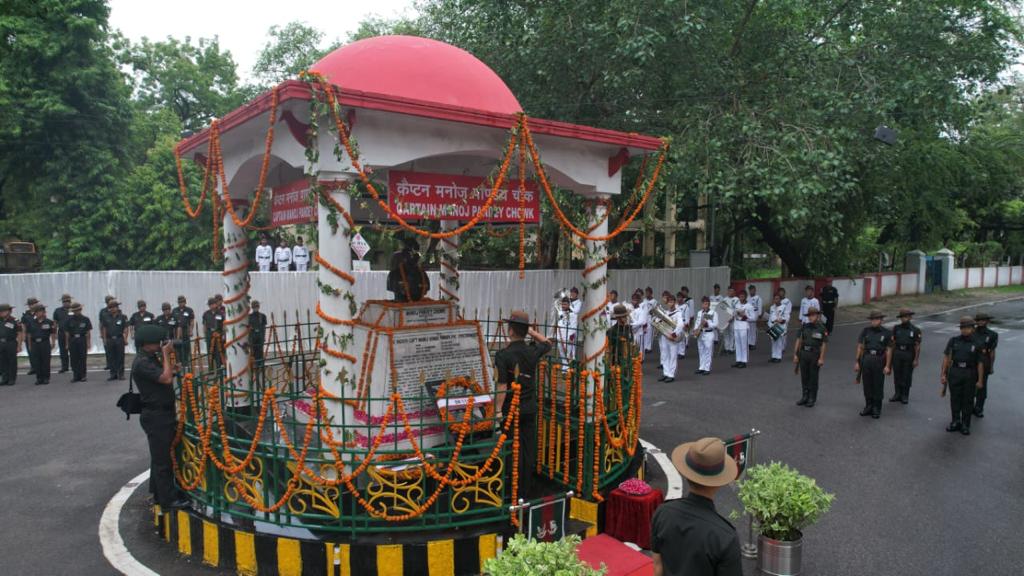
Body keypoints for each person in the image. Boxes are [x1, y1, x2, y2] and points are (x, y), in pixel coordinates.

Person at [651, 437, 742, 576]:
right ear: (718, 482)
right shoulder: (725, 537)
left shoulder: (663, 512)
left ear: (687, 474)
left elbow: (658, 567)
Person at [494, 310, 551, 499]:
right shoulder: (532, 351)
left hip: (511, 409)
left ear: (510, 331)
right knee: (527, 448)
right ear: (525, 331)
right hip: (529, 407)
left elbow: (502, 385)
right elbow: (548, 343)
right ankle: (525, 488)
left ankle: (512, 488)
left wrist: (497, 411)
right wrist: (532, 332)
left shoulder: (503, 355)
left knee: (511, 447)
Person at [132, 324, 190, 510]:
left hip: (162, 413)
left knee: (160, 457)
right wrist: (166, 355)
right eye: (156, 343)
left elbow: (164, 375)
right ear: (146, 344)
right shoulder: (141, 362)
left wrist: (172, 368)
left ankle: (159, 494)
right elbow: (165, 379)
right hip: (156, 416)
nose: (160, 345)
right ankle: (167, 501)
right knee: (162, 461)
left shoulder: (149, 358)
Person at [941, 316, 984, 435]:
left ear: (973, 328)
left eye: (968, 327)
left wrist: (980, 380)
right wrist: (943, 374)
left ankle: (965, 424)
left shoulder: (977, 343)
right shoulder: (954, 340)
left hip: (970, 373)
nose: (965, 330)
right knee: (955, 398)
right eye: (963, 328)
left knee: (968, 400)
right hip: (955, 372)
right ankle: (955, 421)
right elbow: (946, 358)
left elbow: (980, 363)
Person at [855, 311, 892, 419]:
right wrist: (857, 361)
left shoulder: (887, 333)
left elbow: (889, 350)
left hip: (879, 360)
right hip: (866, 359)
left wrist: (887, 366)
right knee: (867, 384)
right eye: (872, 319)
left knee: (877, 384)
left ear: (881, 320)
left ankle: (876, 408)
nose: (874, 321)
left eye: (876, 319)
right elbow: (860, 347)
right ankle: (868, 406)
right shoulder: (865, 331)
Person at [793, 307, 828, 407]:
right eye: (809, 315)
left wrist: (821, 358)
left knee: (813, 377)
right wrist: (795, 354)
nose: (811, 317)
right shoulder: (804, 327)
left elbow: (824, 344)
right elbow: (798, 340)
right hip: (804, 354)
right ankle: (805, 396)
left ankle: (812, 398)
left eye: (813, 315)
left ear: (817, 316)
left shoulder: (822, 328)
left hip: (814, 355)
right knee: (804, 376)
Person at [889, 308, 922, 404]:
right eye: (902, 317)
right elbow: (893, 344)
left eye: (906, 316)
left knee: (906, 375)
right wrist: (890, 358)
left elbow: (917, 346)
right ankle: (897, 394)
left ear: (910, 317)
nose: (904, 318)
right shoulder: (896, 328)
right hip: (898, 353)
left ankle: (905, 395)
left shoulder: (916, 330)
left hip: (909, 353)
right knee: (897, 374)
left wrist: (916, 359)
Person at [386, 236, 429, 301]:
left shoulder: (421, 273)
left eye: (413, 254)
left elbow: (425, 286)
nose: (410, 257)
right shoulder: (395, 275)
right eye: (406, 254)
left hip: (418, 300)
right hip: (401, 301)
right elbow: (393, 285)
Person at [972, 312, 998, 418]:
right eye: (979, 320)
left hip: (985, 362)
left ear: (987, 321)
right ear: (976, 322)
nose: (981, 322)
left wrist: (991, 366)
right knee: (970, 386)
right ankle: (969, 406)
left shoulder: (992, 335)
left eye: (983, 320)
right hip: (972, 362)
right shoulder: (972, 332)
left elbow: (992, 352)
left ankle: (979, 408)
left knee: (982, 387)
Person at [657, 293, 684, 382]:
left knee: (672, 356)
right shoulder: (666, 313)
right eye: (669, 302)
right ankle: (666, 373)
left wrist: (675, 334)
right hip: (665, 336)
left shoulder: (678, 313)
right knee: (665, 355)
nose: (670, 303)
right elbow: (659, 322)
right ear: (667, 303)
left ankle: (671, 375)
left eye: (672, 302)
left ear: (675, 302)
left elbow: (680, 324)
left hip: (672, 337)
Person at [27, 303, 56, 385]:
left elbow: (53, 333)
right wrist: (29, 345)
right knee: (37, 361)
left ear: (44, 312)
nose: (38, 313)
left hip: (45, 343)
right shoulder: (31, 322)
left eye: (40, 311)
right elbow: (29, 334)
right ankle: (39, 378)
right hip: (35, 343)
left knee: (46, 361)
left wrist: (53, 342)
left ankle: (46, 378)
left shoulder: (49, 322)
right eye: (36, 312)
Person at [65, 302, 92, 382]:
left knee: (82, 358)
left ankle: (83, 375)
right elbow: (67, 333)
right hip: (73, 340)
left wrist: (88, 343)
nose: (77, 312)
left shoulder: (86, 319)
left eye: (78, 310)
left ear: (81, 310)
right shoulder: (69, 320)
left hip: (82, 339)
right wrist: (67, 343)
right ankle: (76, 375)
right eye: (75, 310)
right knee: (74, 358)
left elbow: (88, 332)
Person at [102, 300, 128, 380]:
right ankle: (113, 374)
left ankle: (121, 374)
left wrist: (125, 339)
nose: (113, 309)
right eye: (111, 307)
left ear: (117, 307)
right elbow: (104, 329)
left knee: (120, 357)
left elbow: (126, 328)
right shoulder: (106, 317)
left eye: (114, 307)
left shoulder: (123, 317)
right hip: (110, 339)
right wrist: (104, 339)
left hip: (119, 338)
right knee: (111, 357)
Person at [692, 297, 717, 375]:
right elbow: (697, 322)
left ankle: (707, 368)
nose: (705, 305)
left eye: (706, 303)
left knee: (708, 351)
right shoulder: (700, 312)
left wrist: (708, 324)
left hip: (709, 333)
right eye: (703, 303)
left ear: (709, 304)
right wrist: (695, 329)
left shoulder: (713, 313)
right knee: (701, 350)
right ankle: (701, 367)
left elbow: (715, 324)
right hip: (700, 333)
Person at [0, 304, 23, 386]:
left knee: (12, 361)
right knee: (2, 362)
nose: (2, 313)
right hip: (1, 343)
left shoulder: (15, 321)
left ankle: (12, 379)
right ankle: (4, 378)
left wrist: (19, 345)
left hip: (11, 342)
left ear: (9, 311)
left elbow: (20, 333)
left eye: (3, 311)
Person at [552, 297, 578, 370]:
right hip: (560, 335)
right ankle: (565, 367)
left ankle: (569, 368)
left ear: (569, 305)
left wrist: (571, 337)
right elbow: (559, 323)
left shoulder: (573, 314)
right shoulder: (560, 312)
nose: (563, 306)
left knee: (568, 354)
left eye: (565, 304)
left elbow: (574, 327)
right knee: (562, 353)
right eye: (562, 304)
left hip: (568, 337)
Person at [607, 304, 635, 369]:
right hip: (616, 363)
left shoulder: (629, 328)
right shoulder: (612, 331)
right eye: (623, 316)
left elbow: (631, 343)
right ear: (617, 318)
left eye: (626, 316)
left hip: (628, 361)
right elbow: (609, 349)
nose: (625, 318)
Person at [731, 290, 753, 369]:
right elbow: (733, 313)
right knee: (737, 344)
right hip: (736, 325)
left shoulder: (749, 306)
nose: (741, 298)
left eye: (743, 296)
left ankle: (744, 361)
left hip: (744, 325)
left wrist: (744, 316)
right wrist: (735, 313)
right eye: (740, 297)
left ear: (746, 297)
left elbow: (753, 317)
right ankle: (738, 360)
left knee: (744, 345)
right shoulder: (737, 305)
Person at [203, 297, 225, 371]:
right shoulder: (206, 314)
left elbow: (224, 324)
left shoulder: (220, 313)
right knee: (210, 350)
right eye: (210, 304)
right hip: (209, 333)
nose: (212, 306)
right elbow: (204, 325)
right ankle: (211, 368)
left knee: (218, 350)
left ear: (216, 304)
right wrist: (205, 335)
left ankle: (219, 367)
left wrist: (223, 334)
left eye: (213, 304)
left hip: (218, 332)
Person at [173, 296, 196, 367]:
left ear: (185, 302)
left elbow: (192, 321)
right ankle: (179, 363)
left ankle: (186, 363)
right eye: (180, 302)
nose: (181, 303)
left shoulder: (189, 310)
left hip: (186, 329)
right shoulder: (174, 310)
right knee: (178, 347)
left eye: (183, 302)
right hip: (177, 330)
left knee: (186, 347)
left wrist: (191, 330)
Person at [54, 294, 72, 373]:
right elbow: (55, 322)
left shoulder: (73, 310)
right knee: (63, 350)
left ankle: (74, 366)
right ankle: (64, 366)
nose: (66, 303)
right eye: (65, 301)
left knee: (73, 350)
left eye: (68, 301)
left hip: (72, 333)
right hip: (62, 332)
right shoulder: (58, 311)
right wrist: (54, 333)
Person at [629, 292, 649, 360]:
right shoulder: (630, 310)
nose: (634, 301)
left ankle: (640, 360)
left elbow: (641, 322)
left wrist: (631, 325)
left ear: (639, 301)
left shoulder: (641, 310)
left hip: (638, 332)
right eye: (633, 300)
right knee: (632, 346)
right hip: (631, 331)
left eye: (635, 300)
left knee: (639, 347)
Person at [22, 297, 39, 376]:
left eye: (34, 303)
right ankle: (33, 368)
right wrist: (23, 336)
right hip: (29, 336)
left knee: (40, 352)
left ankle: (40, 367)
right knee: (31, 352)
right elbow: (24, 326)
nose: (33, 305)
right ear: (28, 306)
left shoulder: (39, 312)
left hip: (38, 335)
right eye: (31, 304)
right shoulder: (25, 315)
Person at [99, 295, 115, 373]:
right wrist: (101, 333)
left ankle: (115, 365)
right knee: (107, 349)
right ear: (106, 302)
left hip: (115, 332)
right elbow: (101, 323)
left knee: (116, 351)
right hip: (106, 333)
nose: (111, 301)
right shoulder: (103, 311)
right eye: (110, 300)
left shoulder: (117, 310)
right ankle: (109, 364)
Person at [249, 300, 267, 367]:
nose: (255, 308)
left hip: (260, 335)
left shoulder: (262, 316)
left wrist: (264, 336)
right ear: (252, 307)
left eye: (256, 306)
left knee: (260, 350)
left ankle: (260, 363)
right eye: (254, 307)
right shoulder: (249, 316)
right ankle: (255, 363)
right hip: (252, 336)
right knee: (253, 351)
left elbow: (264, 327)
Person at [720, 286, 738, 356]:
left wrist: (732, 317)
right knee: (726, 334)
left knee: (732, 333)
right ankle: (726, 347)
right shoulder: (724, 299)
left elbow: (736, 309)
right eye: (729, 291)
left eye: (732, 291)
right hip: (726, 319)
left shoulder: (736, 299)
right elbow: (722, 309)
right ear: (727, 291)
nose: (731, 292)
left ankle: (732, 348)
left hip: (733, 319)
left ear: (734, 292)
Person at [676, 289, 693, 359]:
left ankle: (681, 353)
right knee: (676, 338)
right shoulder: (676, 306)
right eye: (678, 297)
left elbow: (687, 317)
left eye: (680, 297)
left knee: (682, 339)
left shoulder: (686, 306)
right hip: (676, 323)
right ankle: (677, 352)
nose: (679, 299)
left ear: (683, 298)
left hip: (682, 323)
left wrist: (686, 325)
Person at [747, 285, 763, 350]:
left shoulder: (758, 298)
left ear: (755, 290)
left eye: (752, 289)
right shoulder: (747, 298)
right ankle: (749, 343)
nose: (751, 291)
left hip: (755, 316)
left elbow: (759, 307)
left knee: (753, 330)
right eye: (750, 290)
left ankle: (753, 344)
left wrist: (759, 316)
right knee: (748, 330)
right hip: (748, 316)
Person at [642, 287, 658, 354]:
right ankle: (645, 347)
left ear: (651, 293)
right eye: (646, 292)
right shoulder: (644, 300)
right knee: (645, 333)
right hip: (644, 317)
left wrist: (654, 317)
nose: (647, 294)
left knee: (650, 333)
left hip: (650, 317)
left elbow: (656, 310)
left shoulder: (654, 301)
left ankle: (649, 347)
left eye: (648, 292)